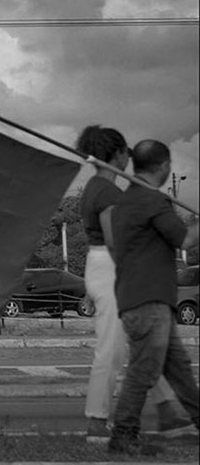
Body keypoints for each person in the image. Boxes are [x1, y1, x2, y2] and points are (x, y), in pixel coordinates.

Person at [74, 126, 192, 444]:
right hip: (113, 266)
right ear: (116, 154)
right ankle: (98, 421)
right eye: (125, 151)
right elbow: (117, 242)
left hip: (103, 265)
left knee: (150, 346)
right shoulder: (107, 192)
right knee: (113, 348)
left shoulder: (95, 187)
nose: (128, 157)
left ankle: (171, 412)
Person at [109, 139, 200, 455]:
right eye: (169, 164)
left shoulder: (125, 202)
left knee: (178, 368)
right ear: (163, 166)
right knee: (143, 370)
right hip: (150, 301)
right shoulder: (152, 201)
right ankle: (123, 435)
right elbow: (185, 240)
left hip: (137, 298)